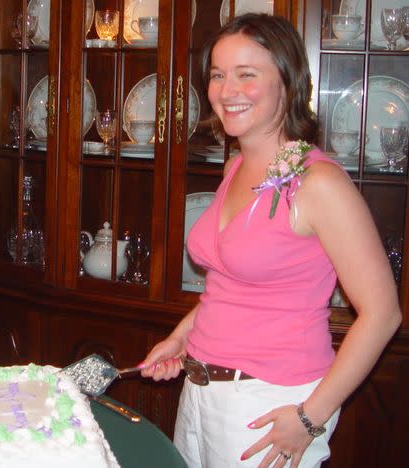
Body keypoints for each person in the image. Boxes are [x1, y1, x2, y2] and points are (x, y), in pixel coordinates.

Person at [139, 13, 402, 468]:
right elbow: (230, 284)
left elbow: (383, 314)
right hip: (200, 392)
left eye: (248, 74)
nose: (227, 90)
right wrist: (181, 339)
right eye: (219, 75)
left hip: (270, 404)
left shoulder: (317, 183)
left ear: (288, 81)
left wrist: (309, 417)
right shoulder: (236, 168)